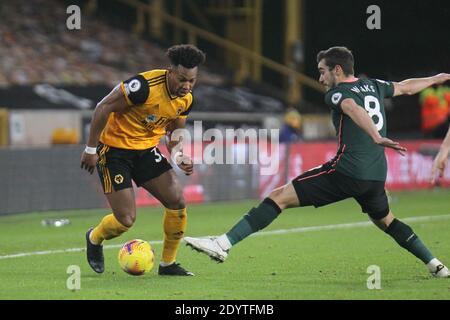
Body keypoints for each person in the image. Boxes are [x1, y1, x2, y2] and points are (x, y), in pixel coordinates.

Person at [185, 46, 450, 278]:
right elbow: (405, 87)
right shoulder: (374, 85)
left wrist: (376, 136)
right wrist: (437, 78)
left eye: (322, 71)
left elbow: (351, 108)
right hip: (376, 176)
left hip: (348, 170)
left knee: (279, 197)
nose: (320, 77)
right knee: (386, 221)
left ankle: (223, 243)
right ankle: (435, 264)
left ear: (337, 70)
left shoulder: (337, 93)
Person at [81, 44, 206, 276]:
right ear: (170, 71)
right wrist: (90, 148)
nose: (186, 86)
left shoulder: (186, 99)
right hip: (114, 152)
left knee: (177, 201)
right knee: (125, 220)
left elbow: (174, 133)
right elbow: (104, 106)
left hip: (146, 151)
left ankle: (168, 264)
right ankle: (94, 237)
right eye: (182, 79)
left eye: (192, 81)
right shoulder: (143, 87)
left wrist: (178, 155)